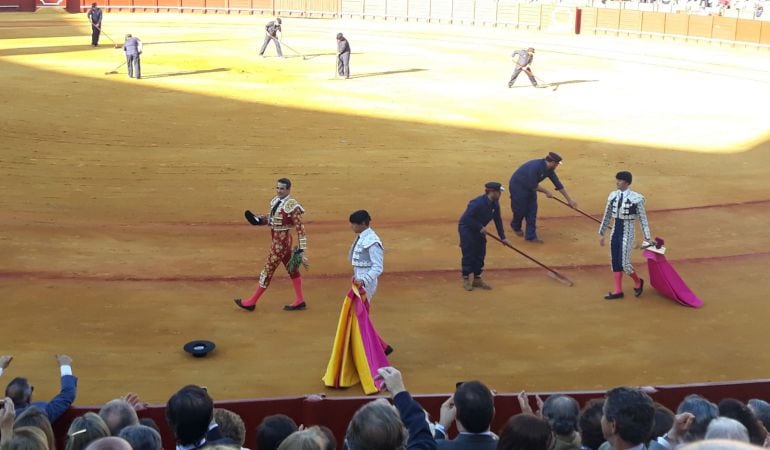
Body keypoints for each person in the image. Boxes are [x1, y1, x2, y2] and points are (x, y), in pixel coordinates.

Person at [235, 178, 308, 311]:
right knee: (292, 269)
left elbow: (300, 228)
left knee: (268, 270)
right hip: (279, 240)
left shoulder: (292, 206)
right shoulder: (276, 201)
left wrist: (302, 249)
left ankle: (251, 302)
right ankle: (300, 300)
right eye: (277, 188)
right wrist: (259, 220)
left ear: (288, 190)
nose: (279, 191)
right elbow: (272, 218)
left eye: (282, 189)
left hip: (281, 243)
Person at [598, 171, 651, 300]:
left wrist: (647, 238)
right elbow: (607, 215)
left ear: (627, 183)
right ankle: (618, 290)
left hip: (628, 231)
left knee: (625, 263)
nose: (617, 182)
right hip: (616, 230)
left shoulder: (636, 198)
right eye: (617, 180)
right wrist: (602, 233)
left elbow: (643, 219)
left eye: (620, 180)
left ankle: (638, 281)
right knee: (615, 261)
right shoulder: (613, 196)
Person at [508, 152, 577, 244]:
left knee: (532, 211)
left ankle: (531, 236)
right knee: (520, 210)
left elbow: (558, 184)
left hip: (530, 189)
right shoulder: (535, 167)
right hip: (518, 187)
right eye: (556, 163)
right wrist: (546, 191)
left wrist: (569, 199)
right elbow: (533, 185)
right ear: (552, 162)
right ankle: (515, 225)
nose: (557, 165)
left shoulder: (549, 169)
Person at [458, 182, 508, 291]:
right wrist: (480, 226)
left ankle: (477, 278)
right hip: (467, 228)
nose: (500, 194)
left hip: (479, 229)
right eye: (499, 192)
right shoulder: (477, 203)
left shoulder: (495, 203)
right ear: (492, 192)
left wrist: (502, 237)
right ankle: (466, 278)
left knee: (481, 252)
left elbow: (497, 220)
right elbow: (467, 219)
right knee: (469, 252)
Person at [4, 354, 77, 424]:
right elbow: (68, 394)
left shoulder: (2, 415)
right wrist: (65, 365)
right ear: (30, 395)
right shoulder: (41, 411)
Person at [434, 381, 498, 449]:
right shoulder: (505, 447)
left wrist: (441, 428)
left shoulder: (439, 447)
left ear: (454, 415)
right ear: (493, 413)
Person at [348, 210, 383, 300]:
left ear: (363, 223)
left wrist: (364, 281)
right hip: (359, 278)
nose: (351, 226)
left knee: (360, 310)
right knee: (358, 310)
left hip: (366, 282)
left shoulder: (372, 240)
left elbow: (378, 267)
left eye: (354, 224)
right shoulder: (363, 237)